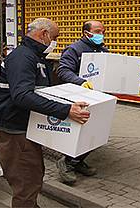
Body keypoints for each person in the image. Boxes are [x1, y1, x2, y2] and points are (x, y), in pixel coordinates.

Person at [0, 18, 91, 208]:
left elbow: (42, 92)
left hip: (24, 130)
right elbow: (22, 96)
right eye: (55, 37)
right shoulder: (23, 58)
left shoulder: (36, 57)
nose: (55, 43)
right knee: (27, 183)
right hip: (13, 132)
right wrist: (66, 110)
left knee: (32, 177)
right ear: (44, 34)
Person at [55, 20, 108, 184]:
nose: (101, 34)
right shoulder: (74, 50)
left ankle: (77, 161)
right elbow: (62, 70)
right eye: (97, 31)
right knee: (81, 132)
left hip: (99, 97)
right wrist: (81, 82)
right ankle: (66, 162)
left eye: (103, 31)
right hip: (79, 97)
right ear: (87, 33)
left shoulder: (102, 50)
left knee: (97, 133)